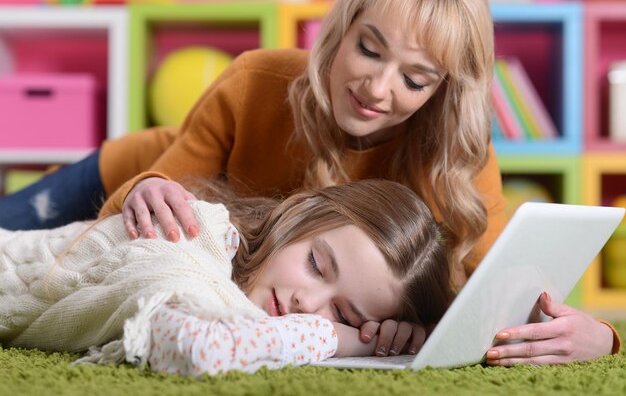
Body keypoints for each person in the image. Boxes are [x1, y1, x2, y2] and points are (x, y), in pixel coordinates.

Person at [0, 0, 620, 365]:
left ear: (443, 91)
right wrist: (147, 191)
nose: (377, 89)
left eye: (414, 79)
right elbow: (153, 213)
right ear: (340, 32)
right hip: (124, 181)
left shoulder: (453, 152)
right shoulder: (258, 79)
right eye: (369, 49)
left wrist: (597, 337)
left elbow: (496, 296)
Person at [0, 179, 454, 376]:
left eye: (343, 313)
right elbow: (198, 347)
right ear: (298, 216)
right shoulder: (197, 234)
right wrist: (348, 339)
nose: (307, 304)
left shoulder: (237, 291)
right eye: (316, 265)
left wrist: (400, 341)